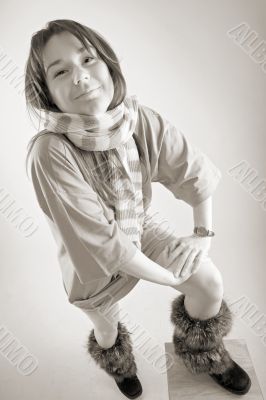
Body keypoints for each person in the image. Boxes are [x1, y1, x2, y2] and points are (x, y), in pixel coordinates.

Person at [24, 19, 251, 399]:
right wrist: (166, 276)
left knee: (208, 283)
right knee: (106, 326)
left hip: (138, 228)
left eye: (88, 59)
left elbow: (191, 170)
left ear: (109, 65)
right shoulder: (49, 152)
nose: (80, 76)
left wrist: (201, 238)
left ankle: (205, 352)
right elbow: (99, 241)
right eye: (60, 71)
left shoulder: (136, 119)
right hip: (88, 262)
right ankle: (119, 364)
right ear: (46, 93)